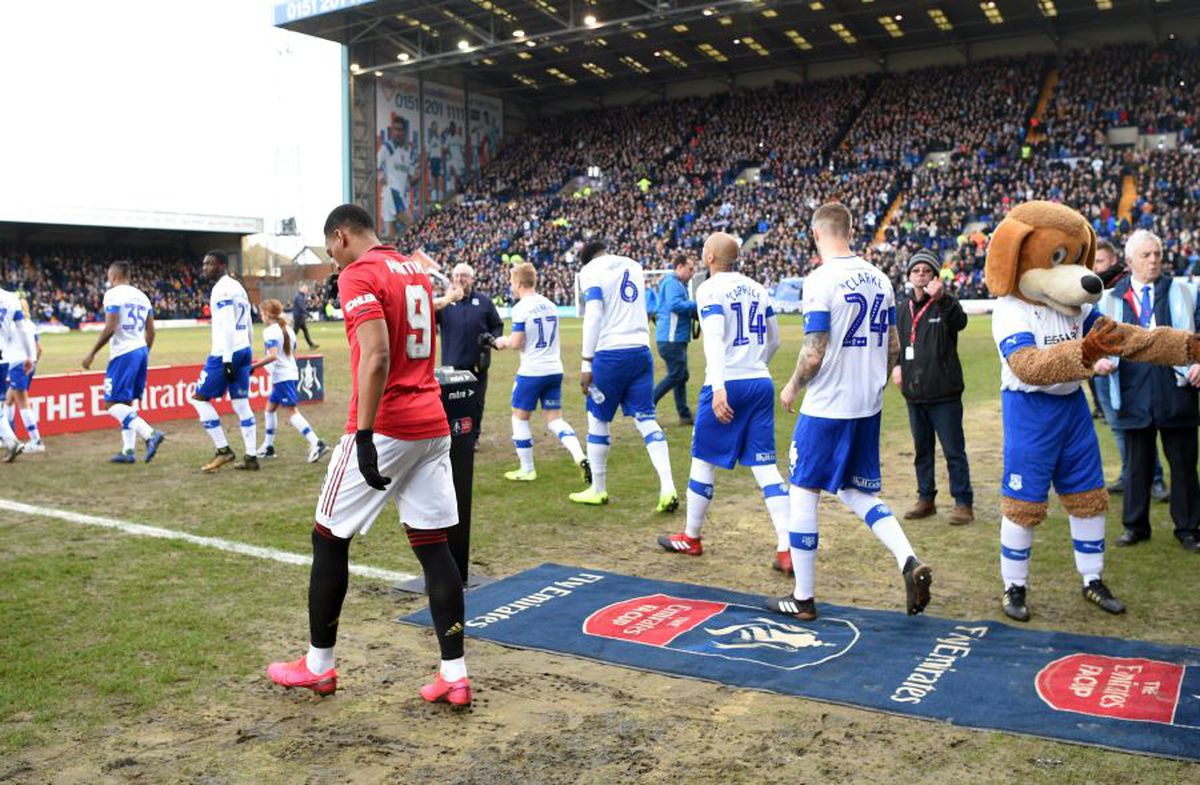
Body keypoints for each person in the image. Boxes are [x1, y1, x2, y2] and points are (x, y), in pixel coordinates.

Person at [267, 203, 470, 705]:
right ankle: (454, 673)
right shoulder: (415, 270)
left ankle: (318, 666)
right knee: (433, 547)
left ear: (340, 237)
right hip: (431, 421)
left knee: (328, 538)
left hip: (387, 425)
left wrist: (362, 435)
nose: (333, 261)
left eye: (331, 250)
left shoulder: (358, 274)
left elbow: (377, 355)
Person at [769, 203, 932, 621]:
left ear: (816, 233)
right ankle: (909, 560)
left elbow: (814, 349)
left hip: (828, 405)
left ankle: (803, 598)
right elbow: (894, 345)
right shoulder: (879, 278)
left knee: (803, 488)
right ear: (850, 230)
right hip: (867, 404)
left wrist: (791, 386)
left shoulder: (821, 279)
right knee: (856, 491)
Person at [657, 233, 792, 572]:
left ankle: (691, 536)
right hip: (759, 380)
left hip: (727, 381)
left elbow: (714, 339)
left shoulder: (708, 289)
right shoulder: (758, 288)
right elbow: (774, 340)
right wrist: (756, 365)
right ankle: (787, 547)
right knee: (765, 466)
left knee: (703, 458)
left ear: (710, 257)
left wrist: (719, 387)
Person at [1098, 230, 1200, 552]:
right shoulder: (1112, 298)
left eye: (1157, 253)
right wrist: (1100, 360)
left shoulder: (1182, 291)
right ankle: (1135, 526)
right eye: (1146, 255)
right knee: (1137, 464)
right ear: (1129, 262)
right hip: (1132, 385)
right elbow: (1098, 341)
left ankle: (1188, 528)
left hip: (1175, 386)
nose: (1154, 260)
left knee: (1183, 464)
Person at [572, 239, 679, 512]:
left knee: (597, 417)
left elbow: (594, 313)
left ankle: (598, 489)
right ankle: (668, 487)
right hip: (641, 351)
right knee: (646, 419)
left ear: (585, 260)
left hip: (611, 354)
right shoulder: (633, 265)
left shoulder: (590, 271)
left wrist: (586, 363)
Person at [482, 262, 589, 482]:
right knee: (554, 419)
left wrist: (500, 341)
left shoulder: (521, 308)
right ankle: (580, 455)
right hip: (553, 369)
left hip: (532, 371)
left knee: (519, 419)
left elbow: (517, 341)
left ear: (519, 282)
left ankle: (527, 468)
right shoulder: (550, 305)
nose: (512, 286)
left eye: (512, 281)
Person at [892, 249, 974, 525]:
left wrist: (944, 299)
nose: (920, 275)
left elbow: (960, 322)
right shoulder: (903, 309)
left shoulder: (944, 304)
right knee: (922, 450)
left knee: (953, 450)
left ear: (935, 276)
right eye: (916, 271)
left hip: (944, 392)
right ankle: (926, 498)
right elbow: (900, 344)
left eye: (926, 271)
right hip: (914, 393)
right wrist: (896, 366)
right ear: (908, 276)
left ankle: (963, 502)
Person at [1091, 240, 1167, 499]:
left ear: (1114, 262)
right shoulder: (1092, 290)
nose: (1094, 268)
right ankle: (1130, 474)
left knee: (1141, 424)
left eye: (1099, 262)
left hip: (1130, 369)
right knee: (1116, 425)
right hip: (1103, 367)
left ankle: (1154, 478)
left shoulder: (1127, 287)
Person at [80, 262, 167, 464]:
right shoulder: (143, 296)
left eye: (109, 277)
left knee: (111, 404)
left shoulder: (113, 294)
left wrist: (91, 353)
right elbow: (151, 331)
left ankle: (150, 434)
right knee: (126, 403)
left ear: (114, 276)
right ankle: (128, 451)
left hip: (123, 353)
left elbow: (110, 327)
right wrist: (144, 353)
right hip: (140, 350)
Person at [190, 250, 258, 472]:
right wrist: (250, 351)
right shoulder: (237, 286)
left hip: (225, 352)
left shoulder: (221, 289)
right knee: (240, 402)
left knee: (199, 398)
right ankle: (251, 456)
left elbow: (229, 323)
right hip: (243, 349)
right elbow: (248, 321)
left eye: (208, 264)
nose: (204, 269)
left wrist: (228, 359)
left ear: (220, 265)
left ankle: (223, 450)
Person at [252, 299, 328, 463]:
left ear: (266, 314)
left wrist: (254, 366)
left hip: (282, 376)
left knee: (292, 412)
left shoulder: (270, 331)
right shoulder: (288, 329)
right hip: (290, 373)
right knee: (269, 409)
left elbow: (273, 356)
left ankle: (317, 443)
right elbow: (290, 352)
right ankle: (268, 446)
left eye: (261, 312)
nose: (260, 316)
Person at [434, 263, 503, 444]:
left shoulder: (484, 302)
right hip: (452, 367)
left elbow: (497, 325)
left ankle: (474, 436)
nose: (459, 279)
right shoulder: (446, 303)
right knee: (451, 403)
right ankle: (451, 437)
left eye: (463, 275)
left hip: (477, 365)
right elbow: (429, 318)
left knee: (476, 402)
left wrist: (493, 340)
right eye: (456, 276)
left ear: (472, 279)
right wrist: (446, 299)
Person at [652, 255, 697, 425]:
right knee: (677, 375)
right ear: (680, 267)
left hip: (674, 338)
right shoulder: (672, 283)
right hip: (671, 338)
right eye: (690, 269)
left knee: (681, 376)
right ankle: (647, 405)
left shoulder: (676, 283)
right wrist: (697, 305)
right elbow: (675, 305)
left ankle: (684, 415)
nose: (692, 273)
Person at [1, 294, 44, 459]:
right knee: (9, 400)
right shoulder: (30, 324)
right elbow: (38, 347)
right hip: (25, 364)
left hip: (16, 364)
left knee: (22, 402)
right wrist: (32, 361)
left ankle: (36, 441)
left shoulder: (11, 325)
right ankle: (7, 436)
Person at [377, 115, 415, 239]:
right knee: (412, 225)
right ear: (392, 130)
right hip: (391, 194)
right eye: (395, 129)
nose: (398, 132)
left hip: (401, 195)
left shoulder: (407, 152)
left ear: (404, 132)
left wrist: (418, 175)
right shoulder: (387, 148)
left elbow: (410, 179)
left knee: (392, 238)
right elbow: (376, 164)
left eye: (400, 129)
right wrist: (381, 177)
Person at [291, 285, 319, 349]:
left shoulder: (301, 296)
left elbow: (303, 305)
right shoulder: (299, 297)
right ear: (303, 290)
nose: (307, 291)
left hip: (300, 317)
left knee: (305, 331)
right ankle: (288, 345)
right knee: (295, 332)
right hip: (298, 317)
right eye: (306, 290)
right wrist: (309, 314)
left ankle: (311, 345)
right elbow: (301, 308)